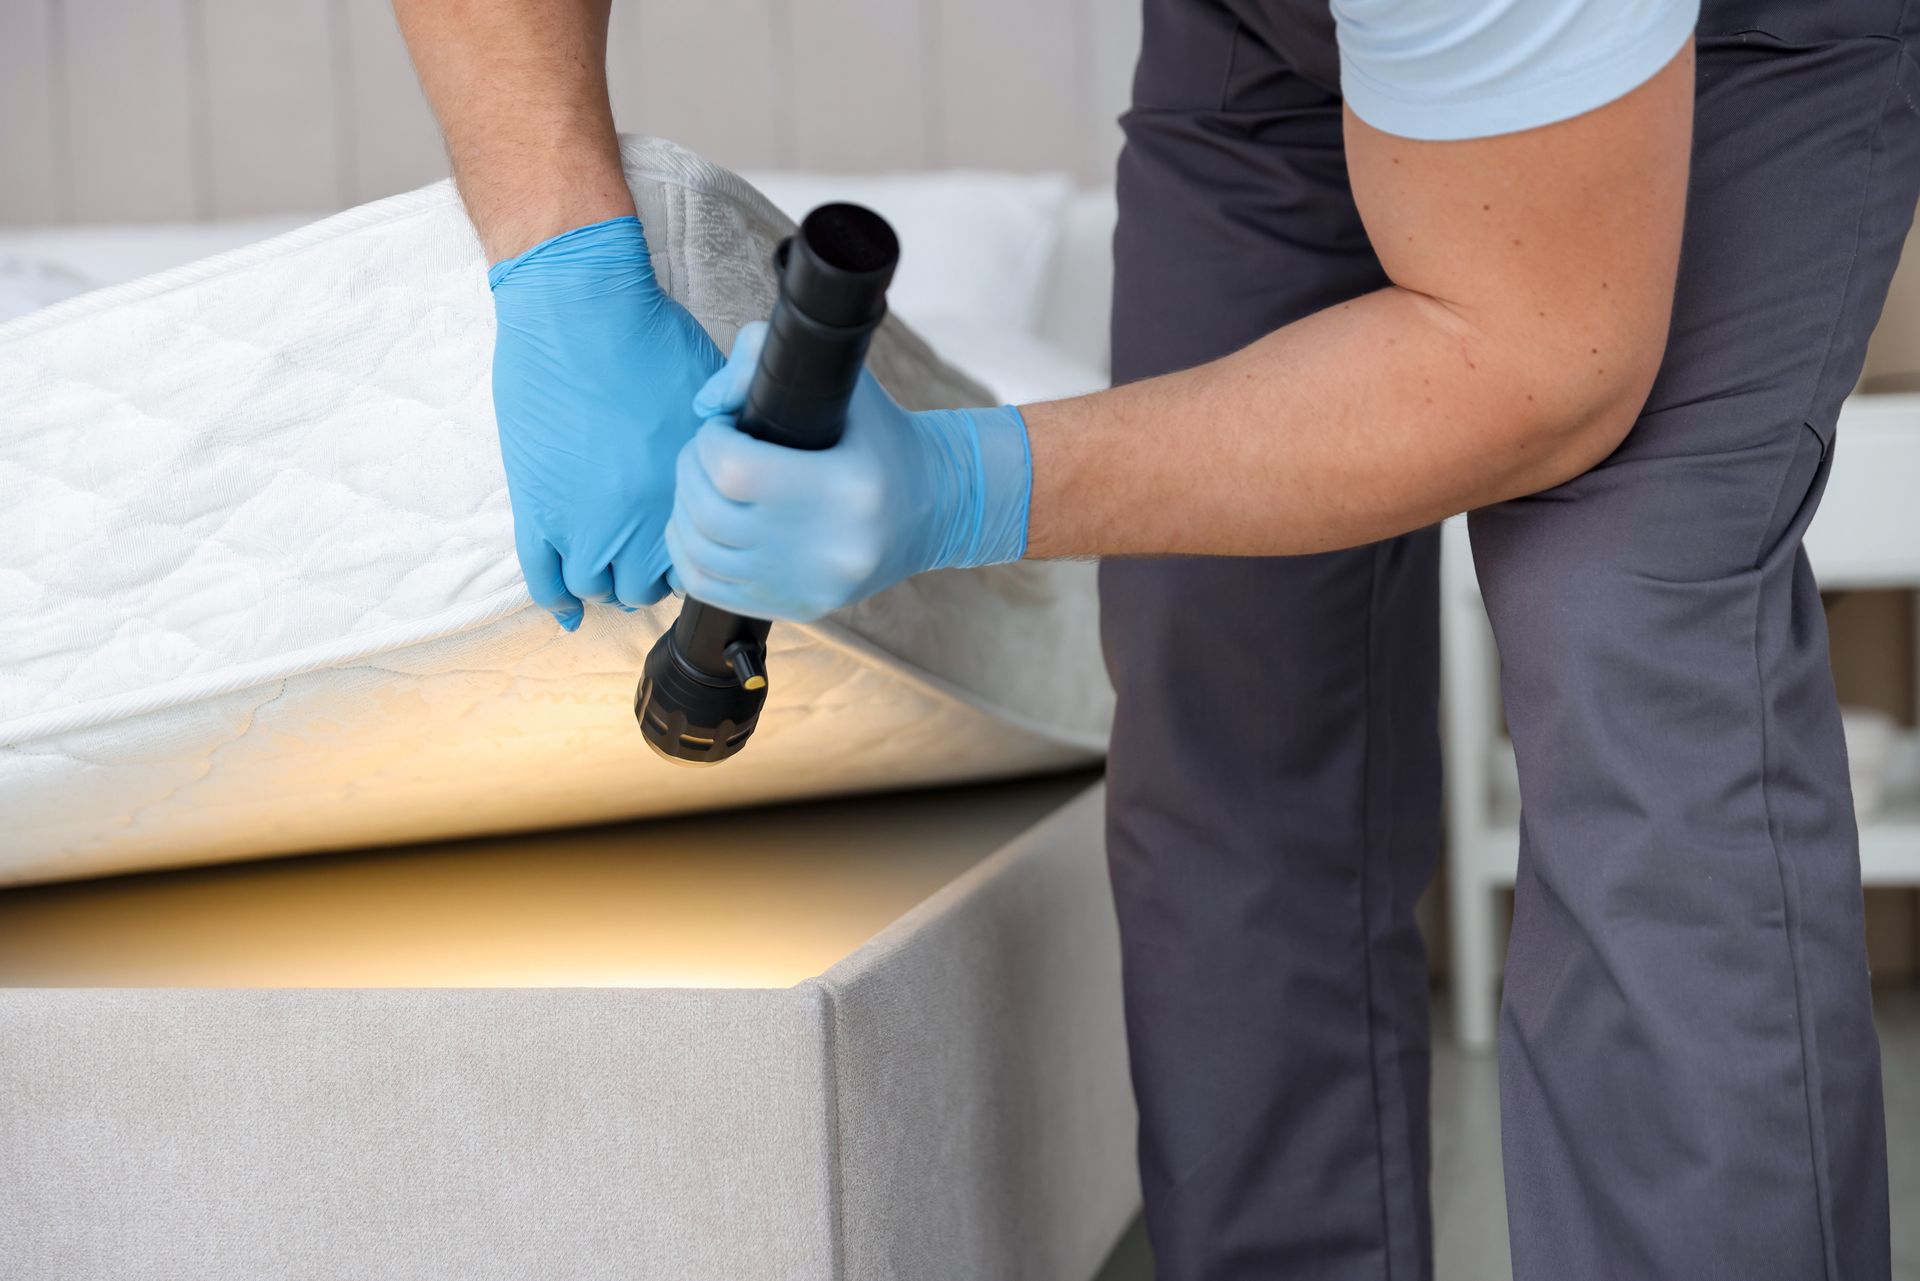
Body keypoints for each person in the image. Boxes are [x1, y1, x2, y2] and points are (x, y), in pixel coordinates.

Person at [397, 2, 1917, 1276]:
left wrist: (963, 483)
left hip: (1727, 48)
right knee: (1217, 655)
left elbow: (1534, 360)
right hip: (1277, 32)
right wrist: (558, 256)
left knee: (1626, 623)